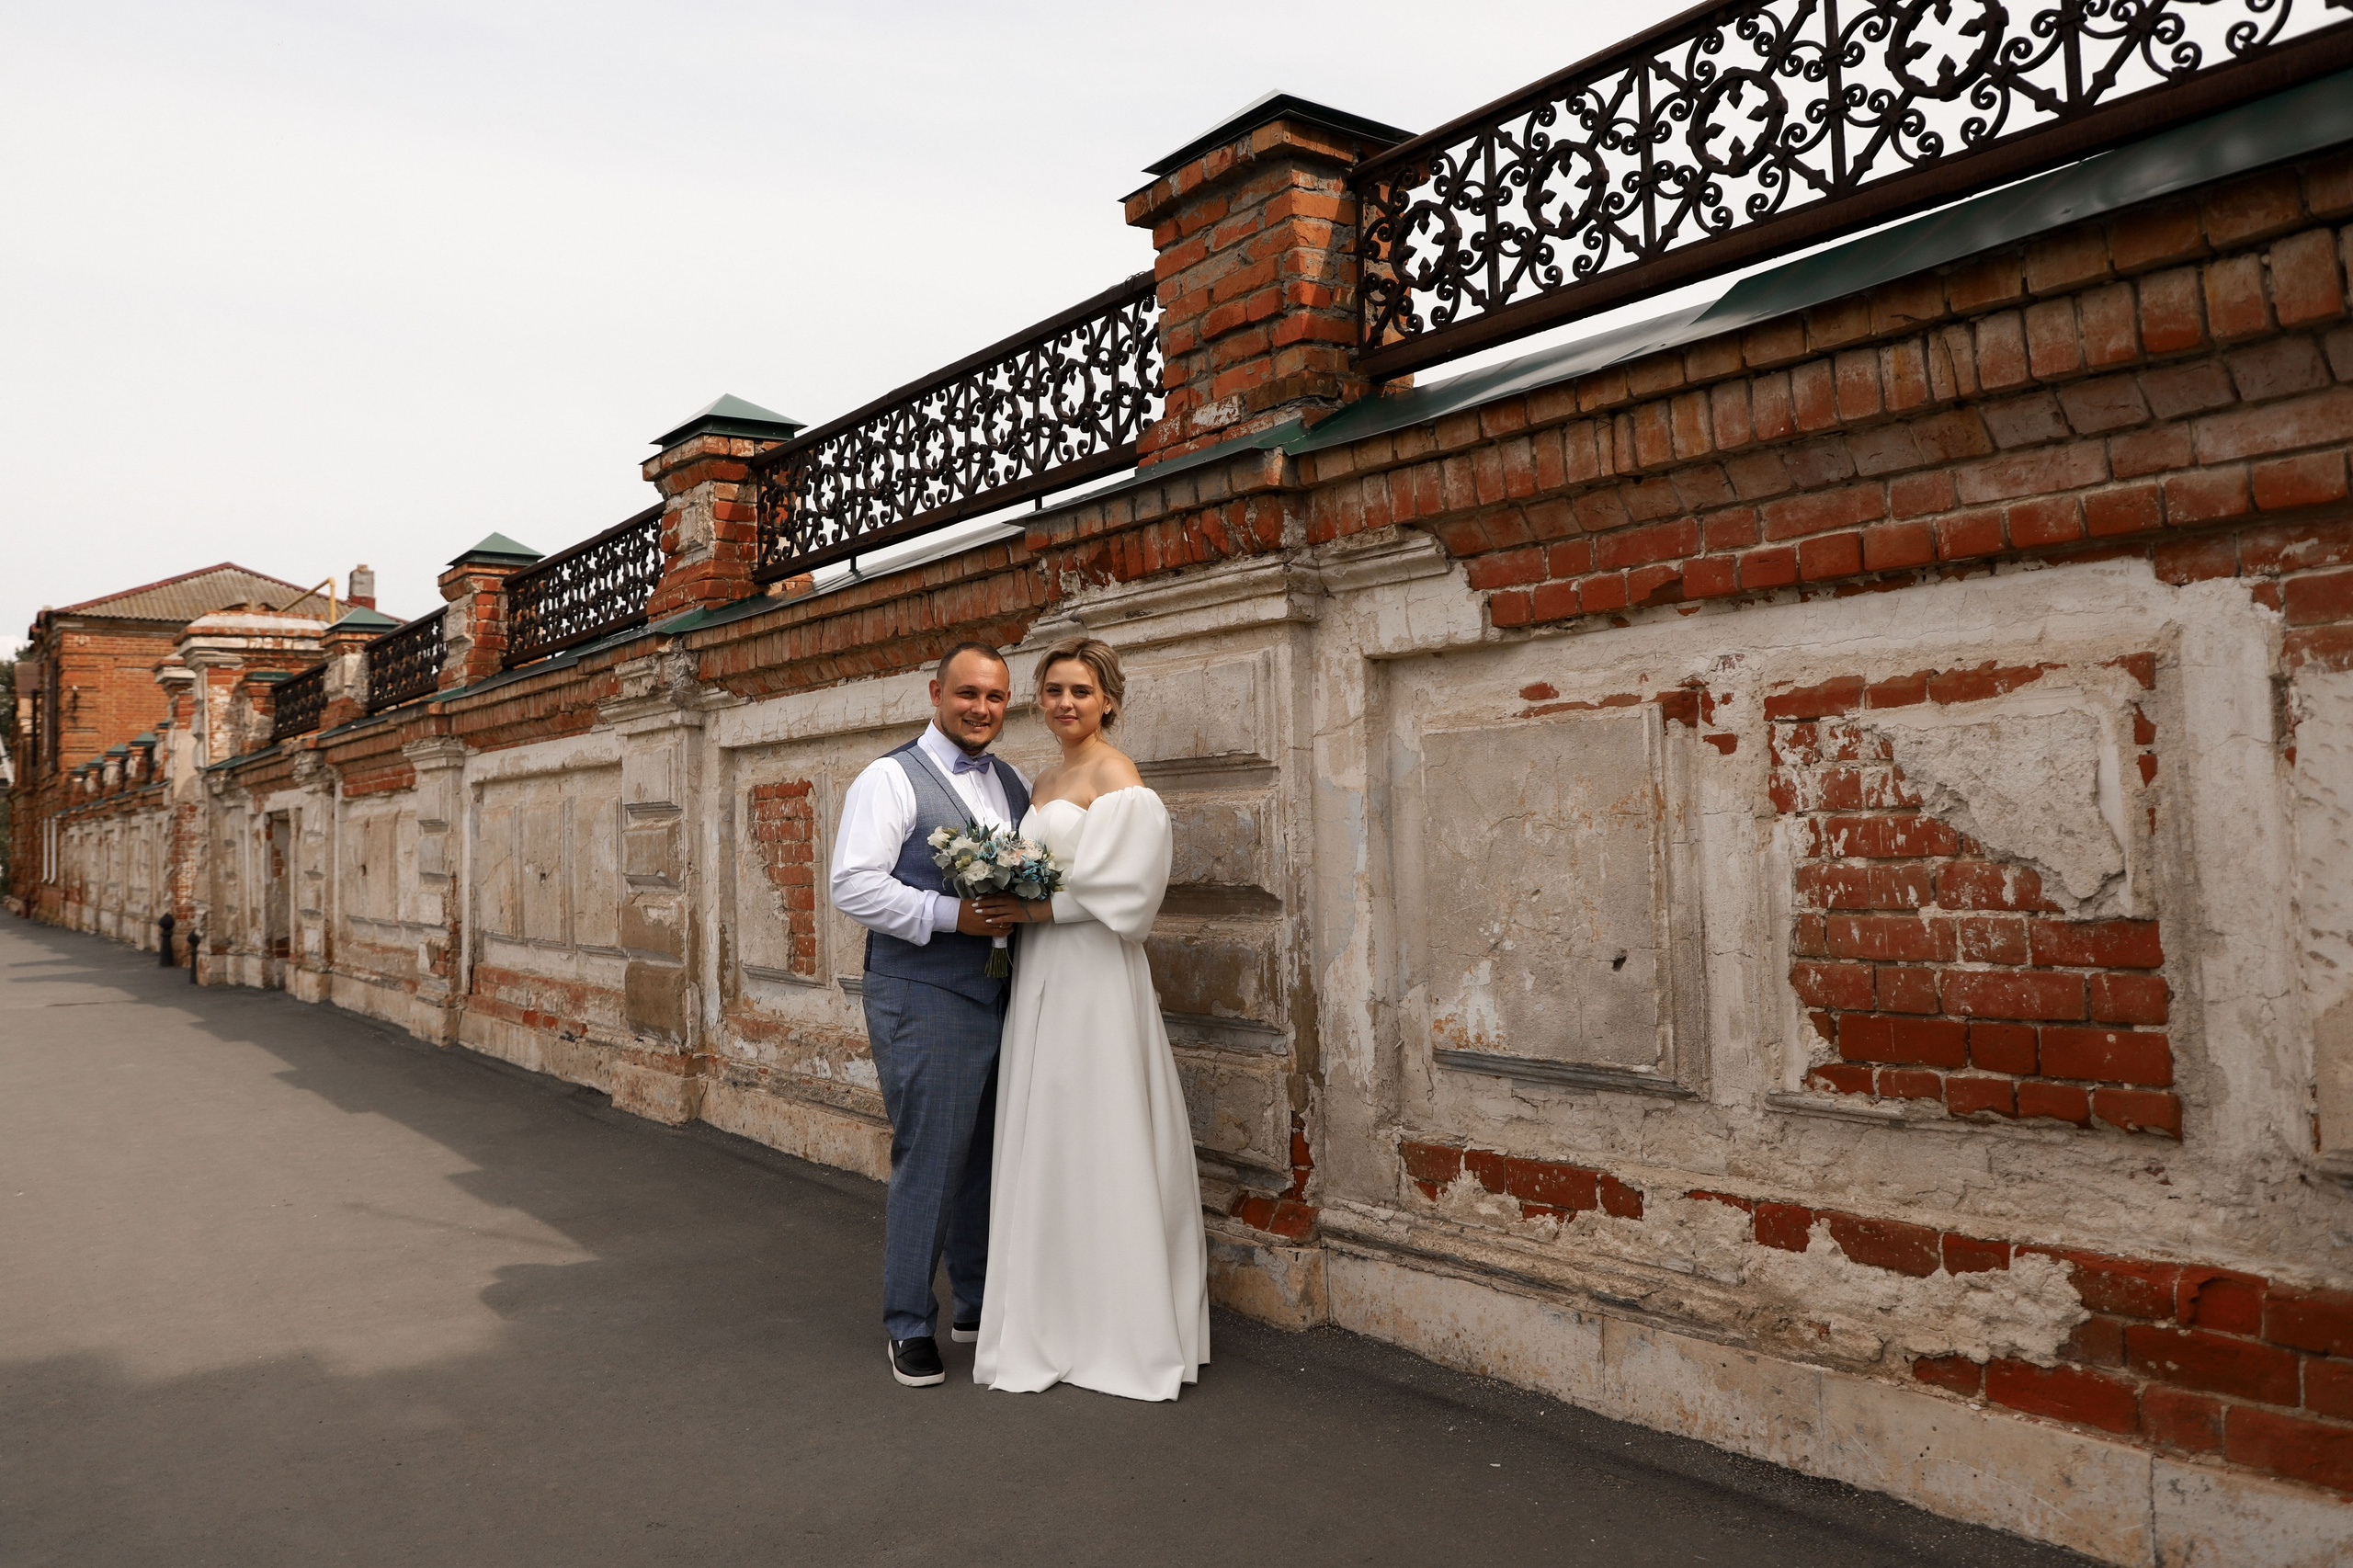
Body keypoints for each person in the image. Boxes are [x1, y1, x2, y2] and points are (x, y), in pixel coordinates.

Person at [972, 636, 1209, 1402]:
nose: (1064, 704)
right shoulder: (1041, 778)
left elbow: (1128, 898)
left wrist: (1032, 906)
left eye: (1079, 691)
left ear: (1108, 699)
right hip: (1041, 974)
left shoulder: (1119, 778)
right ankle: (1053, 1315)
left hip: (1095, 977)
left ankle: (1120, 1327)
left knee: (1100, 1126)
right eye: (1051, 692)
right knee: (1049, 1131)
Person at [829, 642, 1029, 1388]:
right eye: (969, 693)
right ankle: (909, 1324)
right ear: (935, 692)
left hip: (1003, 991)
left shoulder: (1009, 782)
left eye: (997, 698)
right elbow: (852, 884)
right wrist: (952, 916)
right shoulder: (891, 777)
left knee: (988, 1155)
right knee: (933, 1157)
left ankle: (976, 1304)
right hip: (923, 993)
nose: (982, 709)